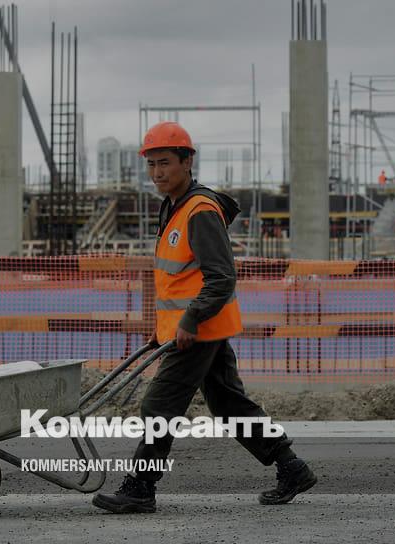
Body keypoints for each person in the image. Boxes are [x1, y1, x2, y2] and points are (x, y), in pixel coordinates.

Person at [92, 122, 316, 514]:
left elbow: (221, 277)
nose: (157, 172)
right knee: (229, 404)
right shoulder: (174, 205)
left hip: (198, 331)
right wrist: (164, 328)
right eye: (151, 165)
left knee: (158, 405)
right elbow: (180, 280)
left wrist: (191, 320)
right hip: (194, 329)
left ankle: (141, 487)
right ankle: (291, 467)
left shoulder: (200, 210)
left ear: (187, 161)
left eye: (165, 163)